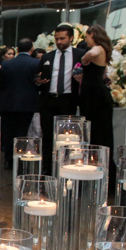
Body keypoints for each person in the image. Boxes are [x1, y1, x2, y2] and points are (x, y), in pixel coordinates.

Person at [36, 24, 85, 173]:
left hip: (68, 99)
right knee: (47, 136)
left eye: (62, 38)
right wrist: (39, 81)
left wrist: (81, 80)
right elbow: (38, 75)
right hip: (49, 100)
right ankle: (47, 170)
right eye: (57, 39)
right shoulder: (48, 57)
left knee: (67, 137)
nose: (59, 42)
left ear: (71, 38)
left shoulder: (80, 55)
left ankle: (66, 167)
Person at [76, 24, 116, 186]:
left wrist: (84, 60)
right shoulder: (103, 50)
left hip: (95, 96)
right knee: (97, 133)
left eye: (87, 37)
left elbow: (90, 55)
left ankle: (100, 172)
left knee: (97, 133)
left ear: (92, 35)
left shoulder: (98, 48)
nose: (86, 40)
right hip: (93, 94)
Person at [0, 38, 40, 168]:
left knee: (9, 132)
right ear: (31, 49)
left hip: (8, 104)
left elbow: (1, 85)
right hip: (27, 104)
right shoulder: (36, 63)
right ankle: (20, 158)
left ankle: (8, 159)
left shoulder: (6, 65)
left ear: (18, 49)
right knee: (22, 132)